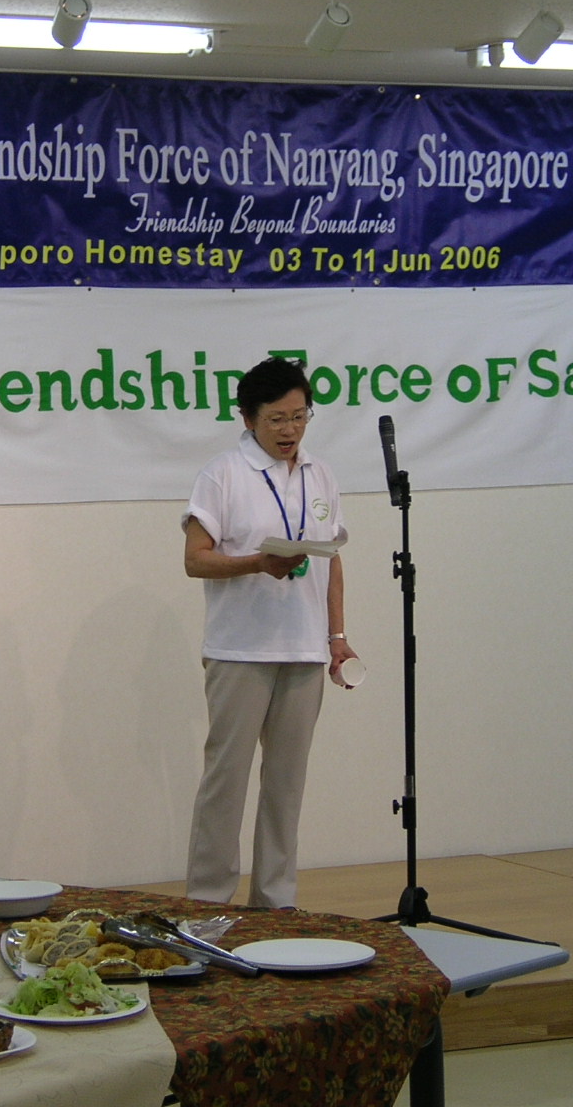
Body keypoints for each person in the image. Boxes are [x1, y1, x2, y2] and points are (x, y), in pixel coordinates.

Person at [181, 356, 360, 909]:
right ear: (248, 418)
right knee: (226, 781)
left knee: (286, 784)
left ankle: (276, 903)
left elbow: (331, 560)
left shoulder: (320, 473)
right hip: (240, 650)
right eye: (277, 419)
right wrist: (258, 563)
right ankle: (208, 901)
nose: (290, 430)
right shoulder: (222, 474)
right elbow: (195, 560)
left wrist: (336, 638)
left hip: (304, 649)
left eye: (300, 416)